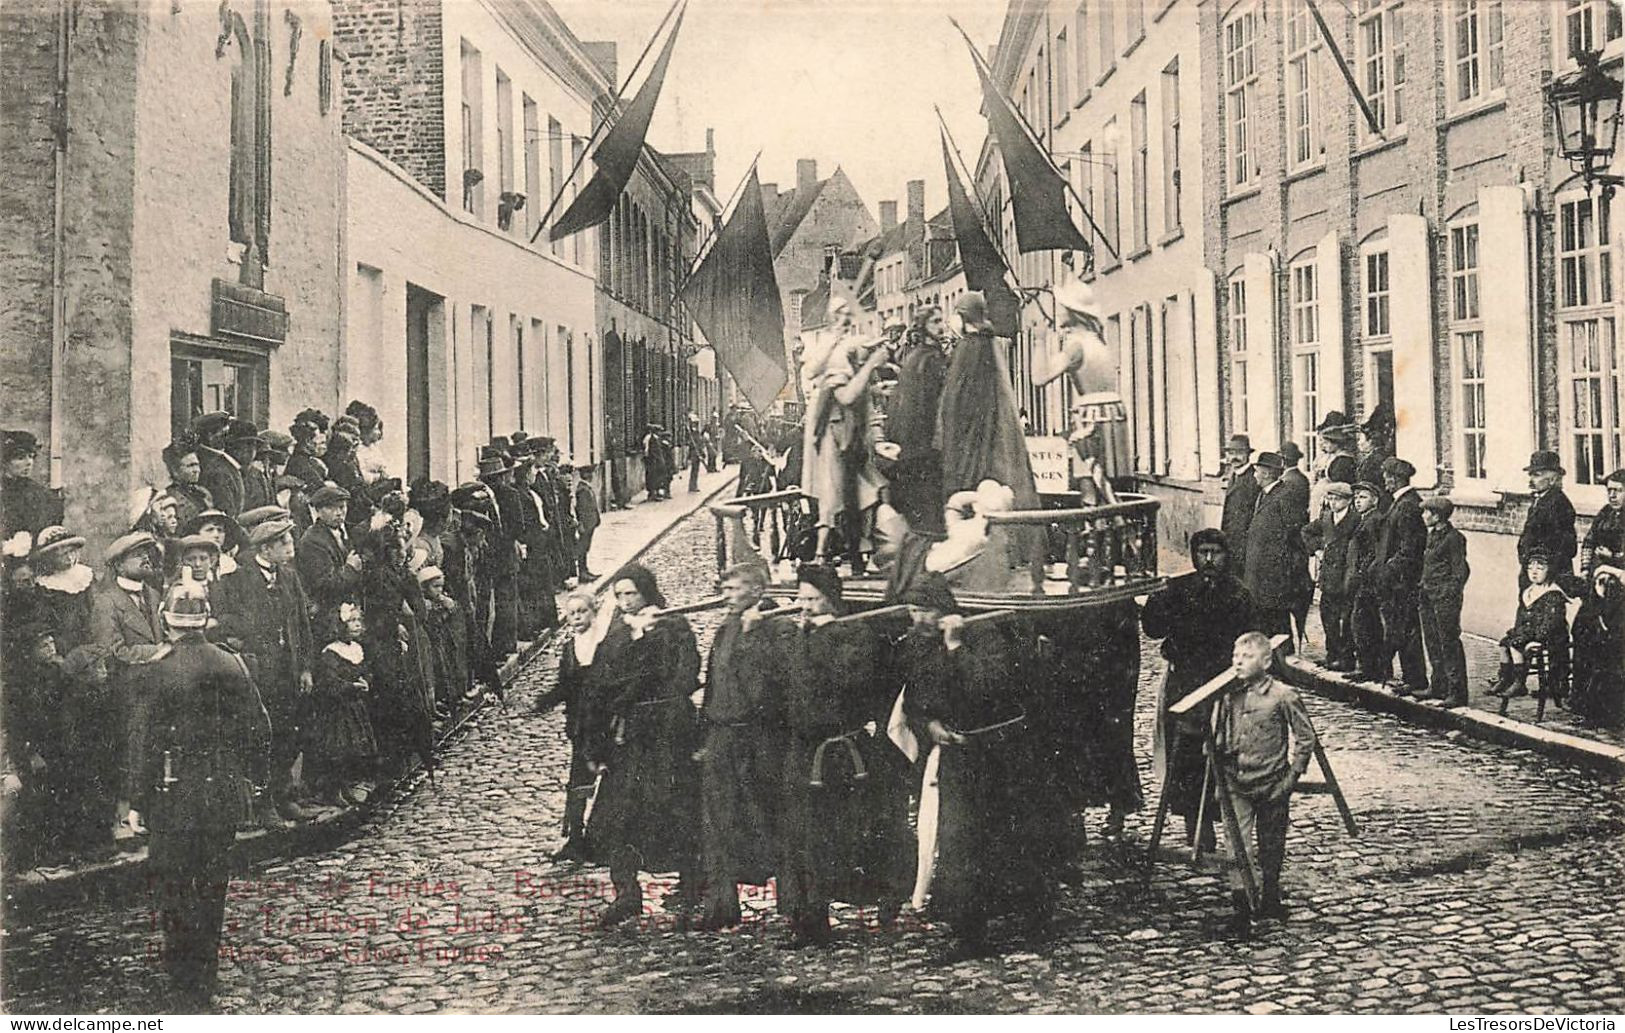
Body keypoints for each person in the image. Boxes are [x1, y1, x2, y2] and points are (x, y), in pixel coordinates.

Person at [900, 572, 1058, 957]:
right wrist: (930, 724)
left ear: (943, 610)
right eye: (912, 610)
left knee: (1009, 837)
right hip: (958, 755)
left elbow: (987, 686)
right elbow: (916, 697)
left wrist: (955, 647)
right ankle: (969, 932)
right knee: (960, 841)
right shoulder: (918, 646)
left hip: (1000, 752)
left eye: (925, 611)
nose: (918, 619)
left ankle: (1035, 914)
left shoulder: (982, 634)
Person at [137, 573, 271, 1011]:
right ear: (205, 620)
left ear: (168, 621)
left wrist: (138, 798)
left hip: (175, 790)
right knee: (213, 880)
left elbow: (146, 740)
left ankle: (181, 974)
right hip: (222, 787)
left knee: (175, 879)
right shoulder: (232, 662)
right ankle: (206, 971)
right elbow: (258, 727)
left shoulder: (158, 669)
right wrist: (255, 776)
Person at [777, 565, 912, 946]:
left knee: (845, 836)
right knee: (800, 838)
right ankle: (808, 920)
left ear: (830, 601)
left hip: (840, 755)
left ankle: (887, 896)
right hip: (803, 752)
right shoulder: (801, 636)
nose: (803, 607)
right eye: (800, 599)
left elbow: (842, 682)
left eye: (812, 599)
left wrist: (816, 638)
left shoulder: (853, 636)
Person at [585, 565, 702, 929]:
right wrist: (597, 742)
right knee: (618, 815)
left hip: (668, 735)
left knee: (676, 808)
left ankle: (693, 883)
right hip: (631, 738)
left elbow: (684, 674)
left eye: (631, 594)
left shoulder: (673, 626)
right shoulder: (618, 633)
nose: (624, 602)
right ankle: (626, 892)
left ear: (647, 593)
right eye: (618, 596)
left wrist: (653, 636)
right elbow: (604, 682)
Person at [1141, 529, 1257, 849]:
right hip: (1185, 685)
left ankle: (1232, 829)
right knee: (1187, 758)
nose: (1208, 560)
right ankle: (1197, 825)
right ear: (1194, 556)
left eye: (1215, 553)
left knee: (1223, 755)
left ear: (1226, 555)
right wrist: (1156, 597)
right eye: (1202, 553)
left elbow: (1249, 639)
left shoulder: (1239, 594)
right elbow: (1153, 628)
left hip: (1223, 686)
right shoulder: (1177, 590)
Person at [693, 563, 785, 931]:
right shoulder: (726, 627)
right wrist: (705, 735)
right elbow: (713, 683)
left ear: (757, 591)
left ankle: (793, 905)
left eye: (734, 589)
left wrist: (751, 640)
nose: (727, 596)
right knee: (716, 820)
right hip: (722, 734)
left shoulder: (776, 626)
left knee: (769, 817)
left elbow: (768, 689)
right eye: (725, 589)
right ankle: (721, 904)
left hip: (758, 736)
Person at [1212, 632, 1317, 940]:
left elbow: (1306, 738)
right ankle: (1242, 907)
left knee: (1272, 843)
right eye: (1235, 657)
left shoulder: (1283, 695)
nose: (1238, 663)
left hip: (1272, 783)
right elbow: (1217, 732)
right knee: (1237, 845)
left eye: (1247, 657)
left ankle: (1271, 895)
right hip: (1236, 782)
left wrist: (1291, 777)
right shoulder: (1227, 694)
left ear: (1267, 661)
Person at [936, 291, 1045, 585]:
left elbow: (957, 401)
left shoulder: (970, 348)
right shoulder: (986, 344)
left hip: (971, 440)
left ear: (963, 317)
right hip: (986, 434)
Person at [213, 518, 315, 824]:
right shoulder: (239, 580)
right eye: (283, 542)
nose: (289, 547)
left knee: (288, 734)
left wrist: (306, 667)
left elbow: (302, 625)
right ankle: (263, 803)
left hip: (288, 670)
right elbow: (225, 619)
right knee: (261, 736)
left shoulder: (289, 576)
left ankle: (283, 796)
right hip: (260, 671)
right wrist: (247, 638)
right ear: (266, 548)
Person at [29, 524, 111, 856]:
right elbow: (46, 631)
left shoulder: (88, 582)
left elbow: (99, 623)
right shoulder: (43, 591)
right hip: (62, 677)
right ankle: (68, 837)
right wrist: (65, 662)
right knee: (68, 755)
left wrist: (93, 657)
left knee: (98, 753)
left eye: (72, 549)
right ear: (49, 558)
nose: (69, 556)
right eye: (62, 552)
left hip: (93, 670)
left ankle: (98, 835)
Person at [90, 531, 167, 843]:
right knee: (132, 752)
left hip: (159, 686)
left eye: (148, 553)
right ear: (119, 566)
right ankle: (126, 816)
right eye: (137, 555)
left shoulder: (154, 596)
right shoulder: (106, 602)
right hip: (128, 690)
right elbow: (112, 651)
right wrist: (158, 652)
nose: (145, 559)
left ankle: (150, 811)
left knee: (156, 750)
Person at [800, 298, 891, 565]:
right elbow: (831, 383)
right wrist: (869, 361)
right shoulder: (826, 346)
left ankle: (860, 547)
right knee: (833, 490)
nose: (846, 318)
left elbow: (859, 362)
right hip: (831, 428)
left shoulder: (849, 344)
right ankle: (822, 553)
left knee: (868, 487)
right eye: (840, 314)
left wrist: (875, 386)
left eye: (849, 314)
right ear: (831, 317)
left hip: (849, 427)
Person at [533, 589, 611, 861]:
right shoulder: (570, 648)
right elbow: (565, 685)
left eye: (582, 612)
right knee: (578, 781)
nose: (577, 618)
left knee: (615, 779)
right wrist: (545, 701)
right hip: (582, 724)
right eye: (572, 613)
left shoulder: (606, 643)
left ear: (594, 612)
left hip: (608, 722)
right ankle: (575, 838)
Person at [1035, 281, 1130, 506]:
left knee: (1090, 488)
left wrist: (1039, 340)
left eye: (1062, 306)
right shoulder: (1097, 341)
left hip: (1090, 420)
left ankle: (1095, 531)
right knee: (1109, 489)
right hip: (1112, 416)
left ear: (1073, 312)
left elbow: (1039, 377)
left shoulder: (1075, 346)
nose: (1058, 311)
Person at [885, 306, 951, 536]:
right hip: (923, 444)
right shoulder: (928, 359)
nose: (941, 326)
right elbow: (925, 404)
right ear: (923, 327)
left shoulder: (920, 357)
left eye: (942, 320)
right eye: (935, 322)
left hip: (919, 444)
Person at [306, 603, 379, 807]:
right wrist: (350, 686)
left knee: (353, 749)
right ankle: (333, 790)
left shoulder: (356, 648)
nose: (357, 625)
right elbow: (329, 681)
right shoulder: (332, 652)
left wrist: (366, 681)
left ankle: (347, 786)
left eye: (358, 621)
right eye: (352, 621)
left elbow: (366, 670)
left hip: (355, 706)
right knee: (338, 749)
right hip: (337, 709)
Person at [1242, 452, 1310, 647]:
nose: (1254, 475)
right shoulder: (1264, 495)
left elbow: (1292, 534)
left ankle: (1284, 662)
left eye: (1256, 471)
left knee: (1277, 620)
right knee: (1264, 619)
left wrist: (1280, 570)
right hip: (1260, 572)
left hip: (1274, 574)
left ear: (1267, 473)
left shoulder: (1284, 496)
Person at [1488, 547, 1571, 700]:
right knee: (1504, 644)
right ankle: (1506, 678)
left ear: (1549, 571)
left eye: (1540, 568)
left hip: (1550, 637)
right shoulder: (1528, 592)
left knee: (1516, 644)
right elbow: (1520, 617)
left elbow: (1550, 624)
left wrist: (1534, 637)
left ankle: (1520, 682)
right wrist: (1518, 630)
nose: (1534, 572)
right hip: (1530, 632)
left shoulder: (1553, 594)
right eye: (1530, 568)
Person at [1376, 457, 1428, 695]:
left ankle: (1415, 679)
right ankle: (1410, 676)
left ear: (1395, 479)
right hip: (1397, 579)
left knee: (1407, 628)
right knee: (1401, 627)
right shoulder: (1401, 502)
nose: (1384, 481)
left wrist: (1389, 570)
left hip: (1403, 581)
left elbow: (1409, 548)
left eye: (1387, 476)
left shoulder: (1407, 506)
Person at [1418, 496, 1471, 707]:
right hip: (1428, 596)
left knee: (1448, 642)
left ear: (1437, 516)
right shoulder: (1431, 536)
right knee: (1432, 641)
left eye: (1426, 513)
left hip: (1444, 599)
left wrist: (1447, 592)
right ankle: (1438, 686)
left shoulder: (1454, 538)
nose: (1423, 516)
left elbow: (1460, 571)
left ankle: (1457, 692)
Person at [1301, 482, 1358, 671]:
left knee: (1347, 619)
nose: (1333, 503)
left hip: (1346, 575)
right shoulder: (1326, 518)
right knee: (1328, 617)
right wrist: (1318, 548)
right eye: (1330, 499)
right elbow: (1306, 531)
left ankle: (1346, 657)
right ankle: (1331, 654)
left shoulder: (1356, 520)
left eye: (1337, 499)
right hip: (1328, 576)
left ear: (1348, 501)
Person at [295, 484, 363, 615]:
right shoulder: (312, 541)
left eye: (342, 507)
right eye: (330, 508)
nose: (338, 513)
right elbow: (323, 585)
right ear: (318, 511)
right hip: (328, 611)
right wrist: (350, 568)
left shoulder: (348, 531)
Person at [1571, 564, 1624, 729]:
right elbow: (1578, 629)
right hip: (1595, 648)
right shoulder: (1592, 604)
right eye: (1600, 582)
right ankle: (1592, 712)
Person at [1345, 483, 1390, 682]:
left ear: (1375, 500)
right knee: (1362, 623)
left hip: (1368, 582)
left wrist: (1364, 574)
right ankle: (1368, 666)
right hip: (1362, 581)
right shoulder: (1365, 520)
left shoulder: (1375, 521)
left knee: (1365, 624)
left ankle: (1370, 667)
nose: (1357, 501)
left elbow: (1375, 552)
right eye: (1356, 497)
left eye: (1362, 497)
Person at [1518, 450, 1579, 593]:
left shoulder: (1559, 505)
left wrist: (1543, 568)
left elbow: (1564, 545)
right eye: (1531, 475)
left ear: (1552, 480)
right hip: (1533, 572)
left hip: (1548, 576)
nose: (1531, 480)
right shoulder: (1539, 500)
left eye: (1537, 475)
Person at [2, 430, 62, 540]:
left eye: (31, 456)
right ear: (5, 462)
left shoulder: (41, 494)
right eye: (20, 458)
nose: (29, 462)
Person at [1220, 435, 1261, 572]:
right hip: (1231, 542)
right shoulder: (1234, 476)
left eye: (1239, 453)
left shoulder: (1253, 479)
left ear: (1247, 455)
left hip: (1245, 545)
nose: (1234, 457)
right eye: (1231, 453)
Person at [162, 440, 215, 533]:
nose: (196, 470)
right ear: (175, 470)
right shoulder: (170, 496)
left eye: (197, 465)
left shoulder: (203, 493)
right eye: (190, 466)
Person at [1582, 469, 1625, 578]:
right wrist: (1585, 568)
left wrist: (1612, 556)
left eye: (1618, 490)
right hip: (1598, 572)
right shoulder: (1606, 512)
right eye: (1609, 490)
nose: (1612, 496)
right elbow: (1589, 541)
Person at [573, 464, 601, 581]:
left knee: (586, 547)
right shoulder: (582, 490)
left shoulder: (586, 488)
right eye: (589, 474)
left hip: (590, 523)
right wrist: (582, 524)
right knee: (583, 548)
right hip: (586, 524)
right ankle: (582, 572)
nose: (591, 476)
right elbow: (582, 509)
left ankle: (585, 570)